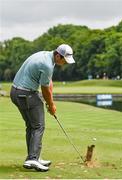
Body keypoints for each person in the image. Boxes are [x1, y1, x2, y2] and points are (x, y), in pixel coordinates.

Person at [10, 44, 75, 172]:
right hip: (26, 93)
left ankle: (33, 157)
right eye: (64, 60)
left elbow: (49, 83)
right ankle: (33, 158)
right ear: (58, 55)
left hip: (15, 92)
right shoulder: (46, 65)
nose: (65, 63)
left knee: (31, 125)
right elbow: (45, 90)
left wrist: (51, 103)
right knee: (38, 126)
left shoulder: (47, 56)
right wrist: (51, 105)